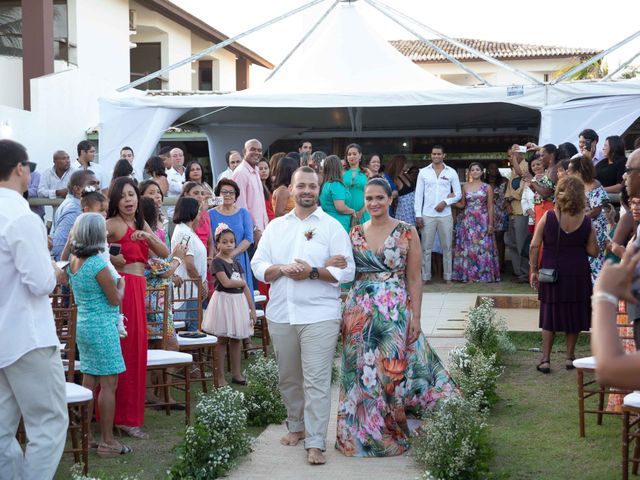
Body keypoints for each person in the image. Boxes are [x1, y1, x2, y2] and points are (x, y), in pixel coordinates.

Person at [337, 177, 456, 457]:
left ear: (390, 199)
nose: (374, 203)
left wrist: (416, 317)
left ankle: (391, 428)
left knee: (390, 373)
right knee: (362, 373)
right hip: (359, 312)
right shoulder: (354, 233)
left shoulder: (406, 231)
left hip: (393, 310)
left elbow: (415, 278)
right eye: (369, 199)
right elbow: (346, 274)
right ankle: (364, 432)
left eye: (379, 198)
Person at [251, 166, 355, 466]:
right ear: (291, 189)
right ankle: (296, 427)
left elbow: (345, 270)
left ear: (318, 189)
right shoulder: (276, 227)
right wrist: (283, 269)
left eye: (312, 186)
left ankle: (316, 442)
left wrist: (311, 271)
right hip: (282, 313)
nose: (307, 191)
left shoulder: (332, 226)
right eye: (301, 186)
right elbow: (260, 265)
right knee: (289, 378)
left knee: (317, 380)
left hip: (320, 313)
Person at [0, 139, 68, 480]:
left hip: (3, 337)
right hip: (27, 335)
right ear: (20, 169)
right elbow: (41, 283)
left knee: (1, 432)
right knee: (49, 422)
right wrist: (56, 270)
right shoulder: (18, 215)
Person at [106, 177, 169, 438]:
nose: (129, 200)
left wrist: (148, 236)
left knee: (137, 351)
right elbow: (81, 248)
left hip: (139, 287)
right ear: (115, 201)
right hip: (124, 287)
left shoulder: (139, 223)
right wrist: (111, 257)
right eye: (123, 196)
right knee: (126, 351)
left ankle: (128, 415)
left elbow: (164, 252)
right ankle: (121, 417)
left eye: (132, 195)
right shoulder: (111, 224)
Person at [66, 213, 130, 457]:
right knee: (109, 384)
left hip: (84, 324)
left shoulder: (74, 260)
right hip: (102, 326)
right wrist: (121, 286)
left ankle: (88, 435)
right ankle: (107, 441)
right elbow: (114, 300)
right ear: (95, 234)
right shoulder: (98, 264)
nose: (106, 233)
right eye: (102, 230)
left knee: (89, 382)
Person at [530, 176, 598, 374]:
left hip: (553, 272)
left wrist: (534, 269)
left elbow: (535, 244)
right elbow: (594, 251)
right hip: (578, 272)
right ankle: (570, 357)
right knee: (574, 313)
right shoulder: (586, 220)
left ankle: (545, 359)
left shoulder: (549, 216)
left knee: (550, 314)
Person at [202, 224, 256, 387]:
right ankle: (219, 377)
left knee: (237, 338)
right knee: (222, 338)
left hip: (238, 302)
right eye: (224, 242)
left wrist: (252, 309)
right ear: (218, 243)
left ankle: (237, 373)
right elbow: (225, 282)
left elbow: (246, 287)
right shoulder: (217, 262)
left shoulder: (237, 263)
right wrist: (241, 283)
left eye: (232, 242)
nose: (229, 245)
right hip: (224, 301)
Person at [414, 145, 461, 284]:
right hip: (427, 214)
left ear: (443, 155)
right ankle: (425, 277)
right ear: (431, 155)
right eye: (434, 154)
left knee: (447, 247)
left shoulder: (451, 172)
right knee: (426, 248)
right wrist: (418, 214)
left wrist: (445, 202)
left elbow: (458, 194)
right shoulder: (423, 172)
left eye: (439, 154)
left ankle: (448, 277)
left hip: (445, 214)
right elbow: (418, 195)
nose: (436, 156)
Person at [452, 162, 500, 283]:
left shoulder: (487, 187)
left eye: (477, 169)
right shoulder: (465, 187)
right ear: (469, 172)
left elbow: (490, 206)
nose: (475, 172)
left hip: (483, 220)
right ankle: (470, 276)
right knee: (470, 248)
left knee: (483, 248)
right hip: (468, 221)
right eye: (472, 170)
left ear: (482, 172)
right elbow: (462, 204)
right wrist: (450, 200)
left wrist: (490, 224)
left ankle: (484, 275)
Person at [209, 179, 255, 303]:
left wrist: (231, 254)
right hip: (218, 262)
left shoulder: (243, 213)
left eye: (231, 192)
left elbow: (249, 238)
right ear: (218, 194)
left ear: (236, 196)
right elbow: (210, 240)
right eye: (224, 192)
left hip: (240, 259)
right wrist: (221, 257)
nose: (228, 195)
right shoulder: (210, 214)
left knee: (243, 295)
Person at [568, 155, 608, 283]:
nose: (568, 172)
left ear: (578, 172)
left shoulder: (594, 185)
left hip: (594, 228)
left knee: (595, 258)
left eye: (570, 170)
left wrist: (579, 219)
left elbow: (596, 210)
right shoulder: (577, 185)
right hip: (583, 225)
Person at [171, 197, 208, 331]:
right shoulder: (183, 232)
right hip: (188, 289)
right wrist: (201, 283)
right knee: (190, 330)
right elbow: (189, 265)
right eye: (198, 210)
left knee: (195, 328)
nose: (200, 214)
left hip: (194, 287)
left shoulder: (188, 231)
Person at [51, 169, 100, 260]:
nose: (98, 187)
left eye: (98, 183)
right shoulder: (75, 210)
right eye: (92, 183)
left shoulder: (75, 204)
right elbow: (59, 246)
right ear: (77, 189)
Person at [233, 139, 269, 243]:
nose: (257, 153)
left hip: (261, 231)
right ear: (244, 152)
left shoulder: (256, 171)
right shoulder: (241, 173)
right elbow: (240, 207)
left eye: (259, 150)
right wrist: (253, 230)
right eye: (253, 149)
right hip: (250, 235)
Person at [504, 146, 529, 283]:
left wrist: (511, 197)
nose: (510, 158)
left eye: (512, 155)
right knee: (512, 243)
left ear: (520, 154)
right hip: (512, 211)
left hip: (521, 210)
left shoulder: (526, 167)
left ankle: (525, 273)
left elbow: (521, 191)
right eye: (509, 156)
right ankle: (518, 271)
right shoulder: (513, 169)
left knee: (521, 243)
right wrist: (508, 202)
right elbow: (508, 191)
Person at [319, 155, 355, 232]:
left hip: (327, 223)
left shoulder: (326, 184)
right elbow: (340, 207)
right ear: (338, 168)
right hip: (339, 224)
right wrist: (352, 211)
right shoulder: (336, 184)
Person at [484, 161, 509, 271]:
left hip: (500, 212)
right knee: (488, 239)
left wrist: (498, 198)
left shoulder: (504, 181)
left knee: (499, 239)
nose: (493, 170)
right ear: (487, 170)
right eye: (491, 168)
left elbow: (507, 198)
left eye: (495, 168)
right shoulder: (483, 182)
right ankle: (489, 264)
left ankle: (501, 263)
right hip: (487, 213)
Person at [343, 143, 370, 226]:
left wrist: (362, 211)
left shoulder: (367, 172)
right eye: (349, 154)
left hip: (363, 212)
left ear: (360, 155)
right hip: (346, 213)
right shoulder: (342, 172)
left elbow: (370, 194)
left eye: (354, 154)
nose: (351, 156)